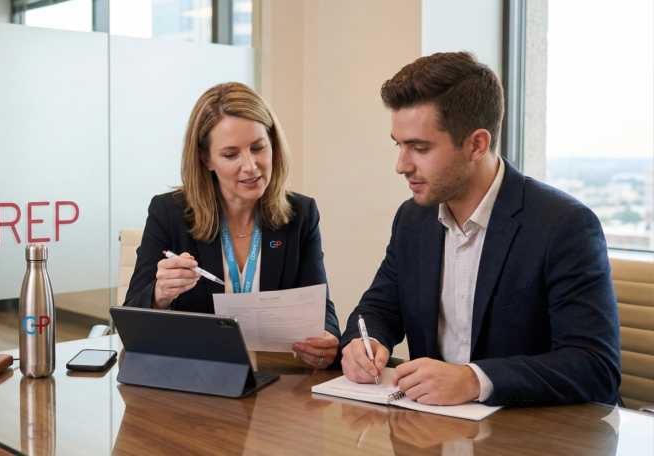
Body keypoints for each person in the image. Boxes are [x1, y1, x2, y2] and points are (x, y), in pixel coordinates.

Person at [338, 52, 621, 407]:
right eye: (399, 144)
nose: (401, 165)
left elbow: (595, 366)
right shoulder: (413, 219)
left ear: (477, 144)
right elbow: (377, 309)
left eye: (420, 148)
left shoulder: (563, 225)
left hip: (536, 433)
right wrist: (362, 345)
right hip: (434, 429)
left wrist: (474, 380)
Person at [122, 82, 341, 368]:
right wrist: (160, 294)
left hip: (276, 383)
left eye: (258, 148)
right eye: (230, 154)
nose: (250, 166)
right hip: (194, 379)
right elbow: (131, 320)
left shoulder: (301, 213)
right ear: (206, 158)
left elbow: (320, 307)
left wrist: (326, 340)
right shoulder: (169, 212)